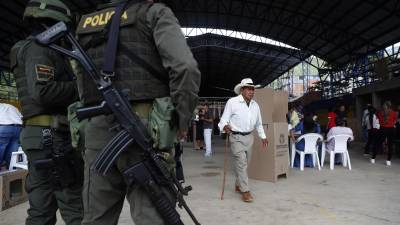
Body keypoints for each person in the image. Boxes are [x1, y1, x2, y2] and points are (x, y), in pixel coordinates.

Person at [74, 1, 201, 224]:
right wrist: (181, 120)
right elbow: (185, 69)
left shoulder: (85, 23)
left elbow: (81, 81)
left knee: (96, 218)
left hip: (97, 132)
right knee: (153, 216)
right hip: (147, 130)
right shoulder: (154, 12)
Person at [9, 0, 83, 224]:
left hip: (41, 137)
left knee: (42, 208)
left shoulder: (29, 48)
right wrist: (80, 86)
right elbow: (43, 92)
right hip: (51, 137)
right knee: (75, 207)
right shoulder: (39, 49)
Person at [218, 78, 268, 203]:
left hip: (249, 137)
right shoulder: (232, 102)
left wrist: (263, 136)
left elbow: (259, 124)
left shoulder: (255, 105)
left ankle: (238, 184)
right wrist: (225, 126)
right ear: (242, 90)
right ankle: (245, 191)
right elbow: (223, 120)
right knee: (241, 163)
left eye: (253, 89)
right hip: (235, 137)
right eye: (249, 89)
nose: (252, 91)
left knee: (245, 164)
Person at [0, 103, 23, 170]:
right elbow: (22, 118)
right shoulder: (12, 107)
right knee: (12, 153)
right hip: (18, 129)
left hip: (4, 127)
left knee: (1, 148)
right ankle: (11, 170)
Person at [376, 101, 397, 166]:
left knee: (379, 143)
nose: (383, 106)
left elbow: (378, 118)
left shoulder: (380, 112)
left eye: (384, 105)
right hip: (391, 129)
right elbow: (395, 121)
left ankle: (373, 157)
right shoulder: (394, 113)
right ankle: (388, 160)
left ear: (386, 106)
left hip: (383, 129)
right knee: (390, 145)